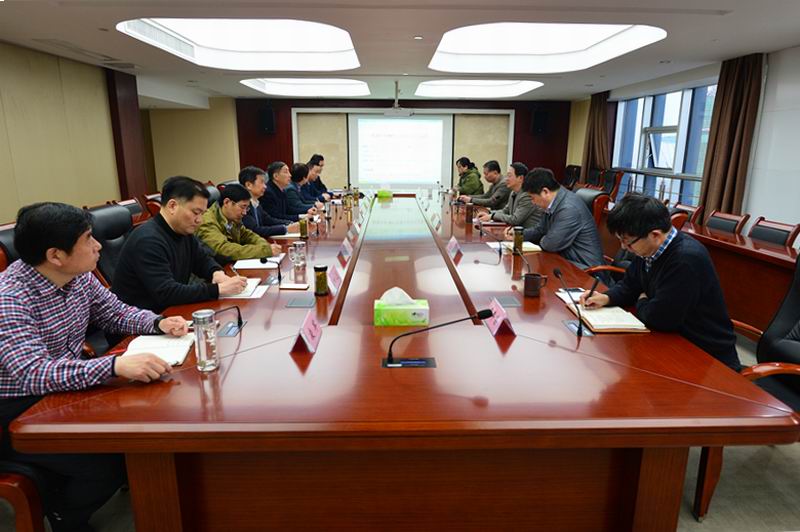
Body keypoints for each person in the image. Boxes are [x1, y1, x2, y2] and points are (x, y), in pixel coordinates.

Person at [0, 202, 187, 531]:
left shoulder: (79, 277)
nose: (98, 245)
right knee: (110, 460)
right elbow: (34, 373)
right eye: (88, 238)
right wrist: (114, 365)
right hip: (16, 406)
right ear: (56, 255)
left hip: (63, 389)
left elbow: (115, 313)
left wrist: (159, 323)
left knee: (141, 425)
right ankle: (66, 517)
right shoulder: (10, 298)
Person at [581, 193, 741, 371]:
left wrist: (642, 300)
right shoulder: (648, 249)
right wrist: (606, 297)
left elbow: (660, 319)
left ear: (655, 235)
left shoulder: (685, 259)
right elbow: (630, 285)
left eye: (628, 243)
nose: (624, 248)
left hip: (706, 357)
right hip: (671, 342)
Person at [112, 175, 247, 314]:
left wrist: (216, 273)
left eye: (202, 213)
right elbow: (167, 293)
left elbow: (202, 260)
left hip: (170, 313)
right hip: (143, 320)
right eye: (196, 213)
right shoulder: (148, 240)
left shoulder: (182, 231)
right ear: (172, 206)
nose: (199, 220)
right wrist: (218, 289)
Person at [518, 168, 606, 271]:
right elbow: (540, 229)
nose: (532, 202)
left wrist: (545, 237)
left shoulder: (569, 208)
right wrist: (518, 235)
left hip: (585, 269)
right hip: (566, 262)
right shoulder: (553, 202)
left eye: (532, 198)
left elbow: (550, 244)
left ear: (545, 192)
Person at [196, 184, 282, 261]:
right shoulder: (207, 222)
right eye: (242, 207)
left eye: (247, 208)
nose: (244, 213)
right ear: (226, 202)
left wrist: (264, 245)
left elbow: (247, 235)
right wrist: (264, 251)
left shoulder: (232, 218)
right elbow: (224, 249)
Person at [238, 166, 300, 237]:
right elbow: (255, 230)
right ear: (249, 185)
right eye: (262, 182)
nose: (265, 186)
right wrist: (285, 229)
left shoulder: (256, 203)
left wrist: (290, 223)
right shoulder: (243, 206)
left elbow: (269, 220)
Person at [477, 162, 541, 229]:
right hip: (513, 231)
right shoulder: (513, 192)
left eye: (509, 176)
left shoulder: (527, 196)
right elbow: (505, 211)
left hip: (528, 234)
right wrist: (488, 213)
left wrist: (492, 216)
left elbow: (515, 220)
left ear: (520, 178)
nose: (506, 179)